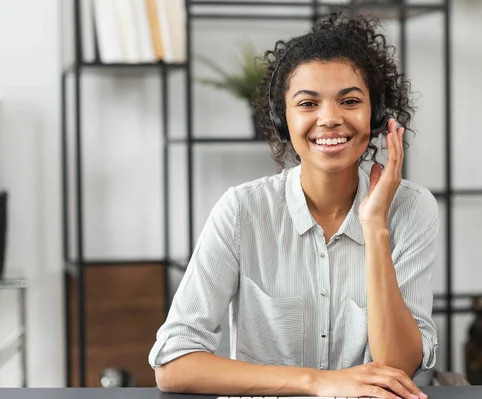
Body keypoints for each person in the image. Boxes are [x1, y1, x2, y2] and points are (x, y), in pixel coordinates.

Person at [149, 11, 439, 399]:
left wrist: (375, 227)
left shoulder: (412, 209)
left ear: (377, 115)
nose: (330, 119)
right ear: (283, 119)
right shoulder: (242, 210)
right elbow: (172, 363)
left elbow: (397, 366)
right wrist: (318, 382)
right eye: (308, 103)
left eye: (349, 101)